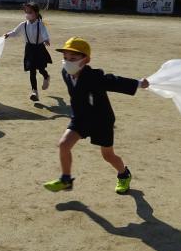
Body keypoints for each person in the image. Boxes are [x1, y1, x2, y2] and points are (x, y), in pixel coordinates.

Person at [43, 37, 149, 195]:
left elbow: (113, 81)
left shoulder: (94, 76)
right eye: (65, 58)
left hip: (101, 120)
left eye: (73, 58)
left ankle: (124, 174)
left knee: (108, 155)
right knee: (64, 145)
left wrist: (139, 83)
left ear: (85, 60)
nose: (67, 62)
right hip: (80, 117)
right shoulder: (65, 73)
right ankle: (66, 180)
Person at [4, 2, 52, 101]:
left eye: (30, 12)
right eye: (26, 12)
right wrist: (8, 34)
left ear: (36, 13)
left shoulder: (40, 24)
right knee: (32, 70)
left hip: (39, 49)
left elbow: (44, 33)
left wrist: (46, 39)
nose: (27, 14)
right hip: (29, 49)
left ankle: (46, 76)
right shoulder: (23, 24)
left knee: (41, 69)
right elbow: (15, 32)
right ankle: (34, 91)